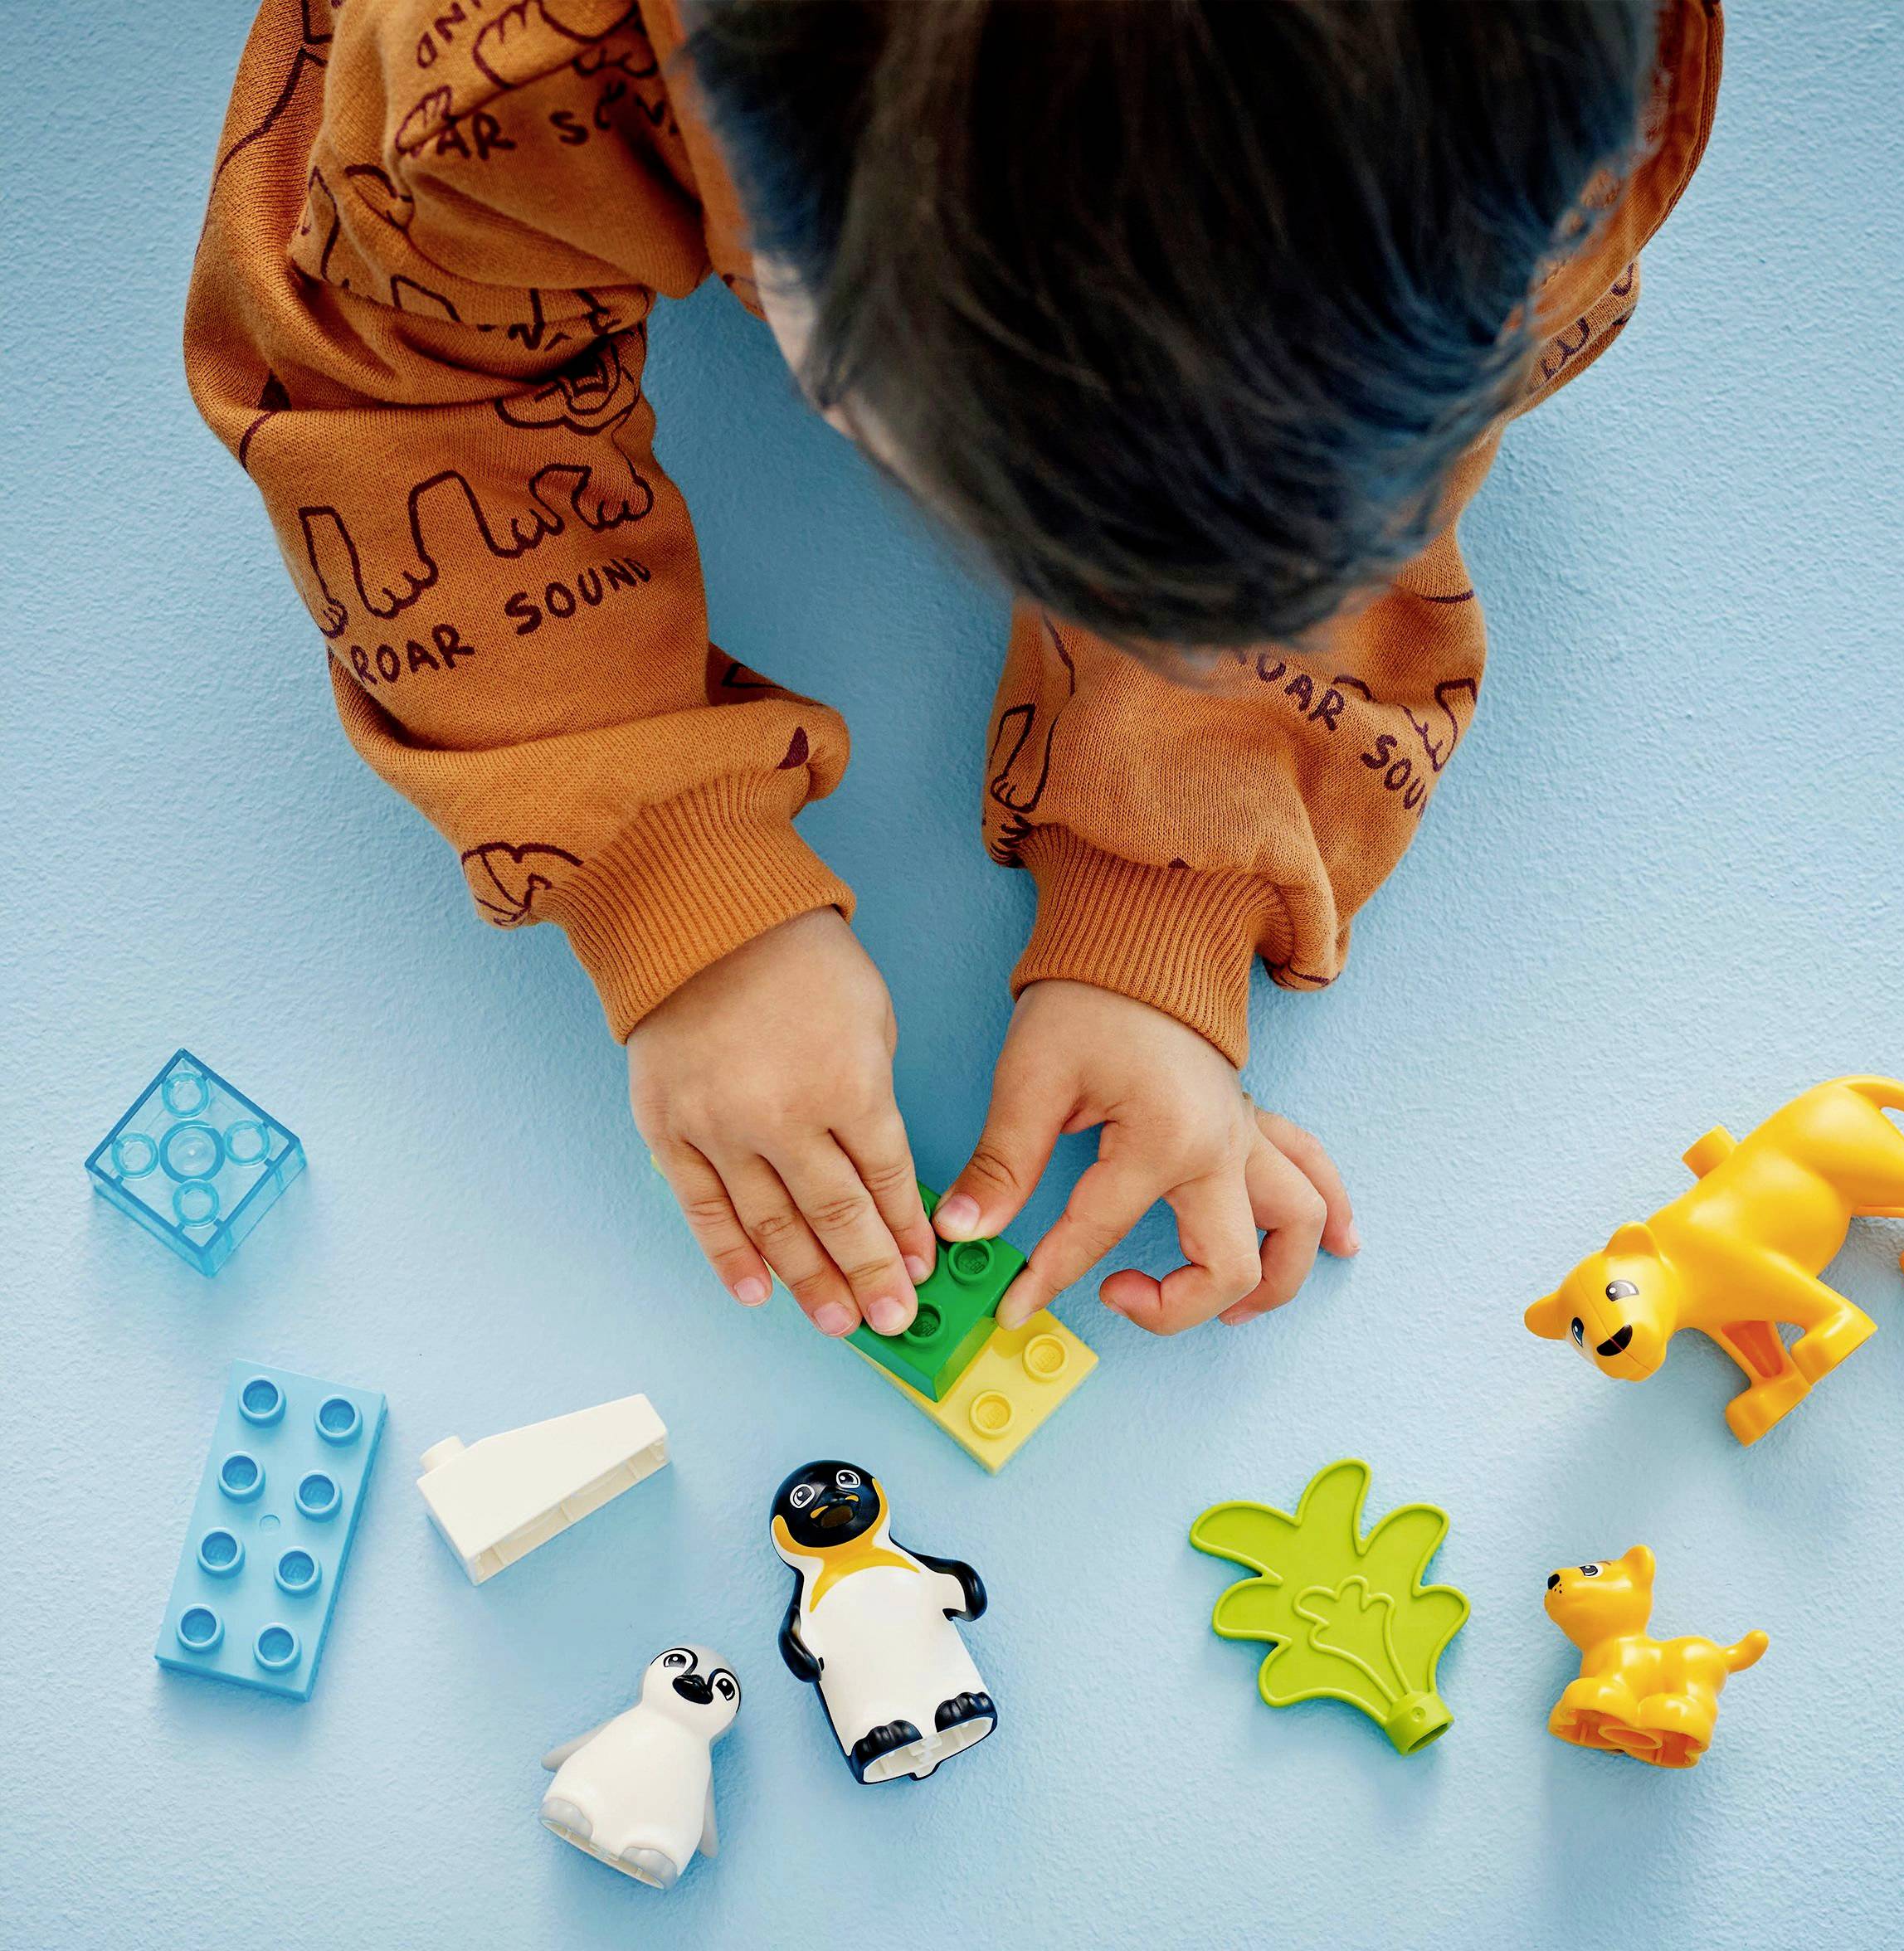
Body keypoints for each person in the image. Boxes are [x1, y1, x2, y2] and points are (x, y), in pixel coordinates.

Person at [186, 0, 1721, 1343]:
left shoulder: (1570, 113)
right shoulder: (504, 72)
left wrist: (1164, 889)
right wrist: (672, 876)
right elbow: (381, 393)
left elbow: (1358, 453)